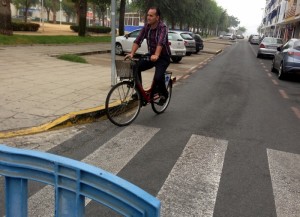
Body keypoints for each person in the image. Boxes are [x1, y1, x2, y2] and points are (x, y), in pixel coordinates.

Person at [125, 6, 171, 105]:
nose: (148, 17)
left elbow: (161, 42)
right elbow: (138, 40)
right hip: (151, 55)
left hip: (163, 57)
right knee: (136, 67)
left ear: (157, 17)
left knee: (158, 78)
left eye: (151, 15)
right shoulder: (146, 27)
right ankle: (140, 94)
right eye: (148, 15)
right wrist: (132, 53)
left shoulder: (163, 28)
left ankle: (164, 94)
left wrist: (157, 55)